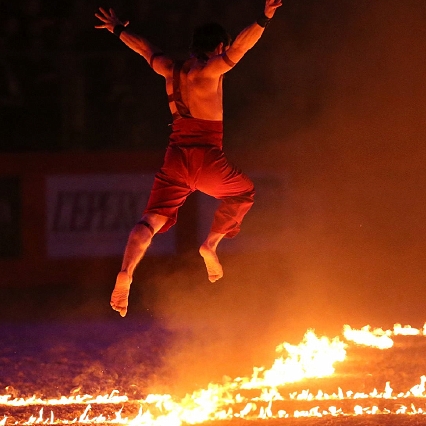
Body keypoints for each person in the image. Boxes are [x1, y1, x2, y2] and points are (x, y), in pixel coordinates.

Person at [95, 0, 282, 317]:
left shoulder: (170, 68)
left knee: (150, 220)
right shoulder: (211, 71)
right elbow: (243, 45)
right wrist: (264, 18)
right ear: (218, 46)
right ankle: (210, 243)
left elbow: (144, 48)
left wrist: (118, 30)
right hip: (206, 156)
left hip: (176, 158)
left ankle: (126, 271)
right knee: (243, 191)